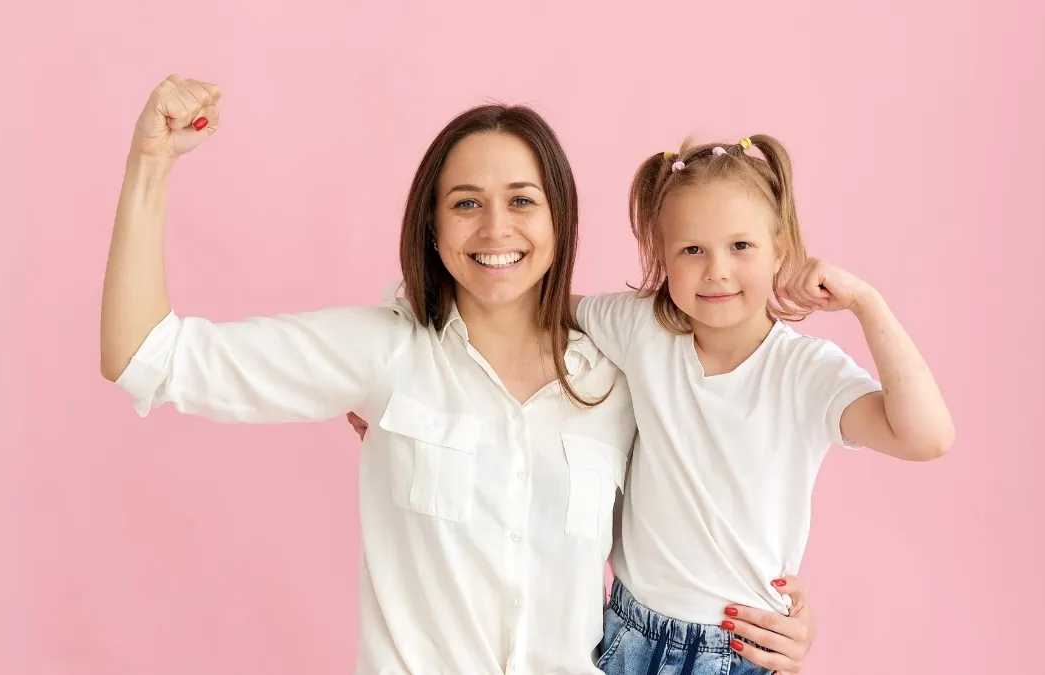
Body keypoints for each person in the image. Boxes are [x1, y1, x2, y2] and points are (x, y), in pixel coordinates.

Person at [100, 75, 817, 674]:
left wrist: (777, 619)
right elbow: (146, 357)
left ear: (560, 219)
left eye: (522, 200)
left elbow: (709, 512)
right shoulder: (384, 352)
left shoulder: (620, 377)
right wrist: (149, 163)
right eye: (466, 202)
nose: (495, 227)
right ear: (433, 227)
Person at [559, 135, 953, 673]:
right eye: (691, 250)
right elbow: (543, 301)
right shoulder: (640, 327)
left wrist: (866, 303)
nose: (716, 270)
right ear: (662, 258)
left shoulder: (806, 373)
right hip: (630, 636)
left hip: (742, 652)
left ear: (780, 253)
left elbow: (927, 437)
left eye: (740, 247)